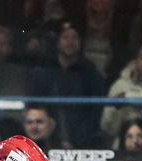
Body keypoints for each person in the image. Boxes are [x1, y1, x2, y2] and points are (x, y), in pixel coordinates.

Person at [29, 21, 107, 149]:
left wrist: (76, 140)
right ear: (58, 41)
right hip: (48, 141)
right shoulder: (45, 71)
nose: (70, 42)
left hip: (84, 142)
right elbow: (35, 105)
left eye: (74, 38)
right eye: (65, 37)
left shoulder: (90, 72)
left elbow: (96, 110)